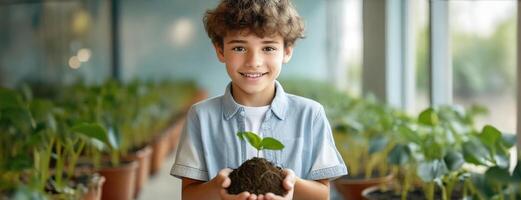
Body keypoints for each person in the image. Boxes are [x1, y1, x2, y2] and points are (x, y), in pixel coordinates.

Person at [170, 0, 347, 199]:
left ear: (287, 51)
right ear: (220, 50)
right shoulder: (201, 116)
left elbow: (322, 194)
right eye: (239, 48)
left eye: (268, 48)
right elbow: (189, 195)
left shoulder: (310, 114)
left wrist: (290, 183)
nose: (254, 62)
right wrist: (218, 188)